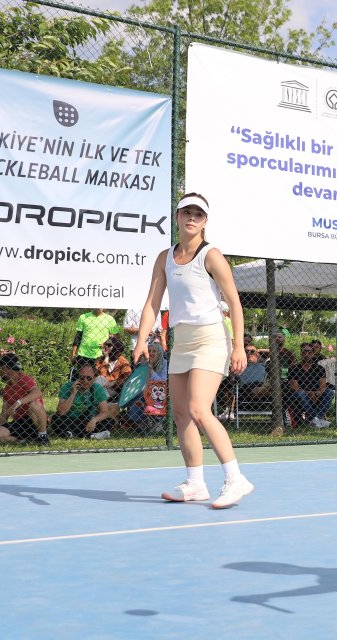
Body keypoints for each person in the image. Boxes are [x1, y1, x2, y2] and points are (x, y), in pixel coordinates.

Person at [132, 192, 253, 510]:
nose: (191, 218)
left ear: (205, 222)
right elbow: (152, 302)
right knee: (182, 413)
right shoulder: (164, 257)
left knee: (199, 409)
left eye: (198, 214)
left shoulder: (211, 255)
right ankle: (196, 484)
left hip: (211, 338)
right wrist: (142, 340)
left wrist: (238, 346)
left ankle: (235, 478)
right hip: (182, 340)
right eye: (186, 212)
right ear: (177, 216)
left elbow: (234, 303)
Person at [0, 353, 50, 445]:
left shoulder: (24, 379)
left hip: (34, 420)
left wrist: (18, 403)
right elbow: (5, 413)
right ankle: (23, 441)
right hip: (20, 423)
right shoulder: (7, 389)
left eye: (0, 369)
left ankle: (42, 436)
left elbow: (37, 392)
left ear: (5, 367)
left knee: (35, 404)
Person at [51, 363, 116, 439]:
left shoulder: (97, 388)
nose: (85, 381)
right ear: (77, 377)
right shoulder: (67, 387)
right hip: (70, 420)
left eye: (89, 378)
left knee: (110, 422)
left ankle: (73, 434)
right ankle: (91, 435)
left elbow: (104, 412)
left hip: (88, 421)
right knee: (56, 419)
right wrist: (73, 394)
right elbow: (61, 412)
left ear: (94, 378)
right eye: (82, 378)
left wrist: (94, 420)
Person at [287, 343, 333, 428]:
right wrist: (309, 393)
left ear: (313, 354)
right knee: (300, 393)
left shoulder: (319, 368)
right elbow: (295, 388)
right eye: (304, 351)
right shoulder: (294, 368)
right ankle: (315, 419)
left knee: (329, 392)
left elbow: (323, 386)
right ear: (301, 353)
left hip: (316, 395)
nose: (307, 354)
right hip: (301, 396)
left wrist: (318, 393)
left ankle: (314, 420)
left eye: (309, 352)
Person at [96, 335, 133, 401]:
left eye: (109, 346)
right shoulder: (101, 359)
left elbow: (128, 378)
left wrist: (114, 382)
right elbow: (101, 375)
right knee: (100, 379)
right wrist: (106, 357)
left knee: (99, 382)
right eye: (106, 345)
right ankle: (104, 401)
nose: (106, 348)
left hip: (113, 388)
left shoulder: (124, 363)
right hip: (101, 386)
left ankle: (102, 401)